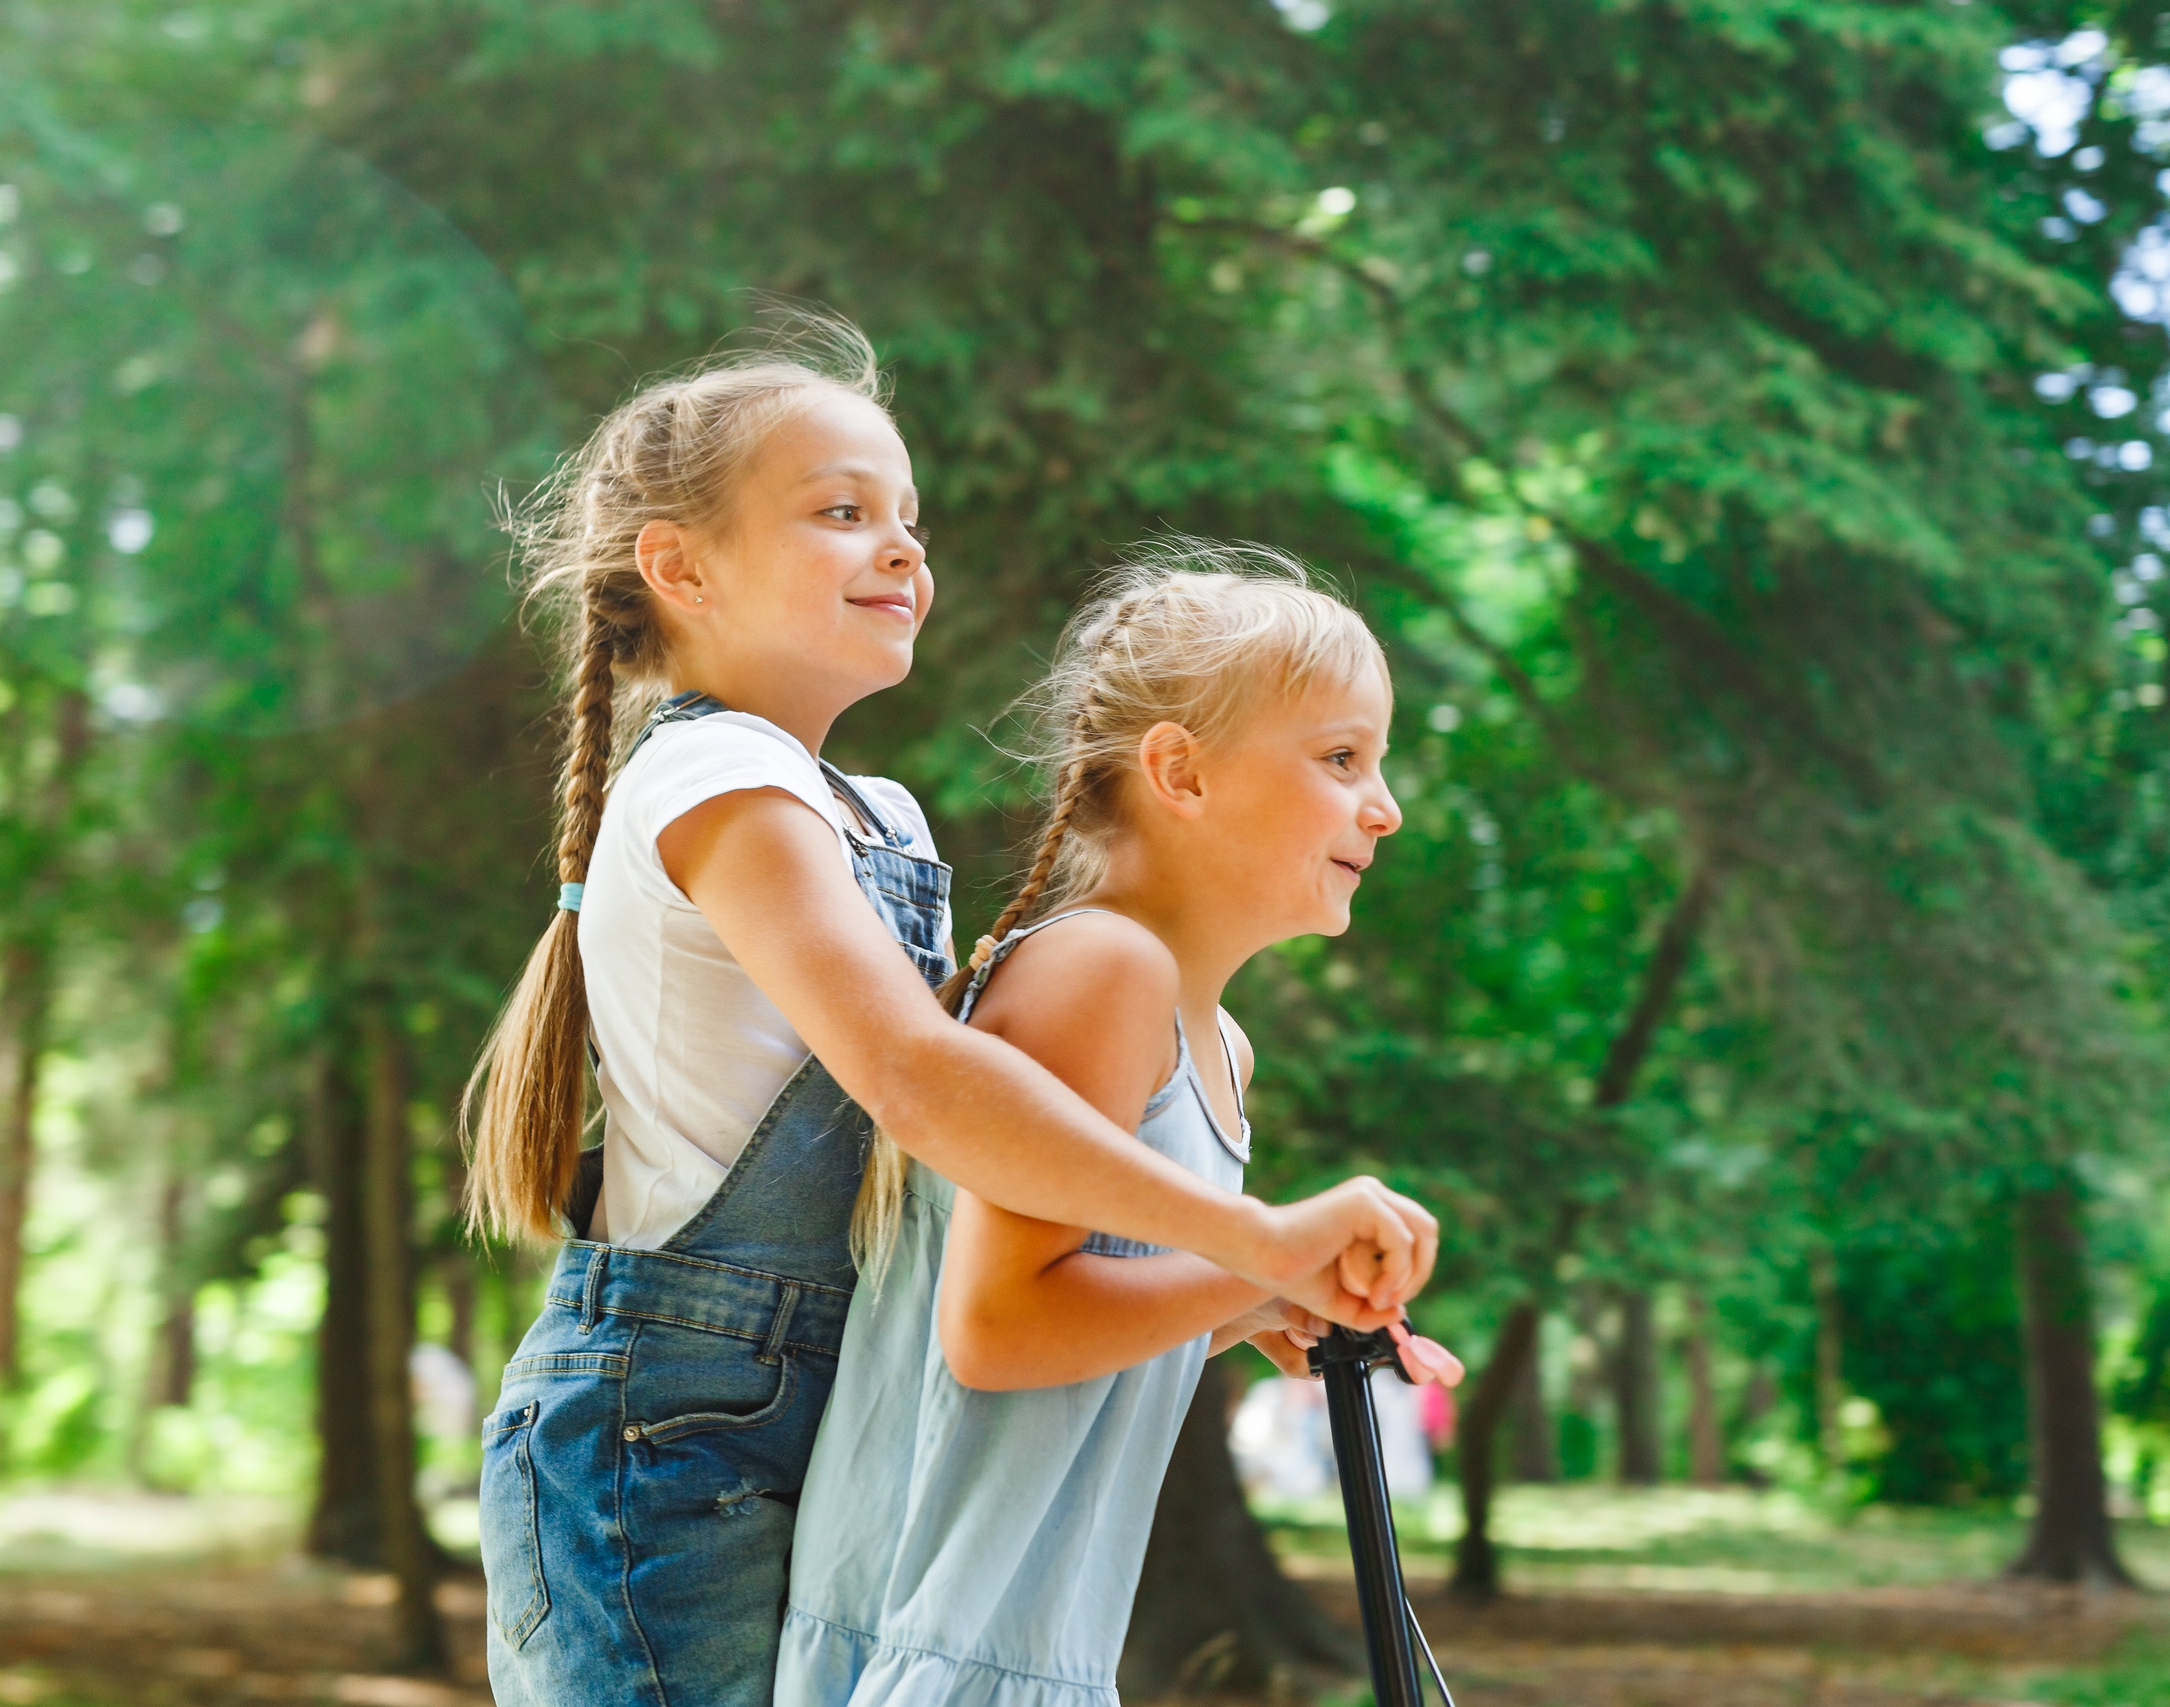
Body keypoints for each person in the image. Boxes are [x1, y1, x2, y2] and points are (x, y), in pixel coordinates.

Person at [461, 322, 1438, 1707]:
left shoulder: (875, 820)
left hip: (791, 1416)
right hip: (658, 1433)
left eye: (909, 518)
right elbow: (919, 1082)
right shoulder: (714, 780)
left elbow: (953, 1233)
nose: (903, 547)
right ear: (678, 567)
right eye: (841, 512)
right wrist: (1249, 1236)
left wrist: (1241, 1289)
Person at [775, 544, 1423, 1707]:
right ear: (1179, 771)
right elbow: (996, 1330)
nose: (1384, 806)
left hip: (1025, 1652)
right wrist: (1257, 1258)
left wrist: (1255, 1300)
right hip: (941, 1651)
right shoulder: (1102, 972)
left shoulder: (1215, 1044)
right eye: (1340, 759)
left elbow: (1057, 1348)